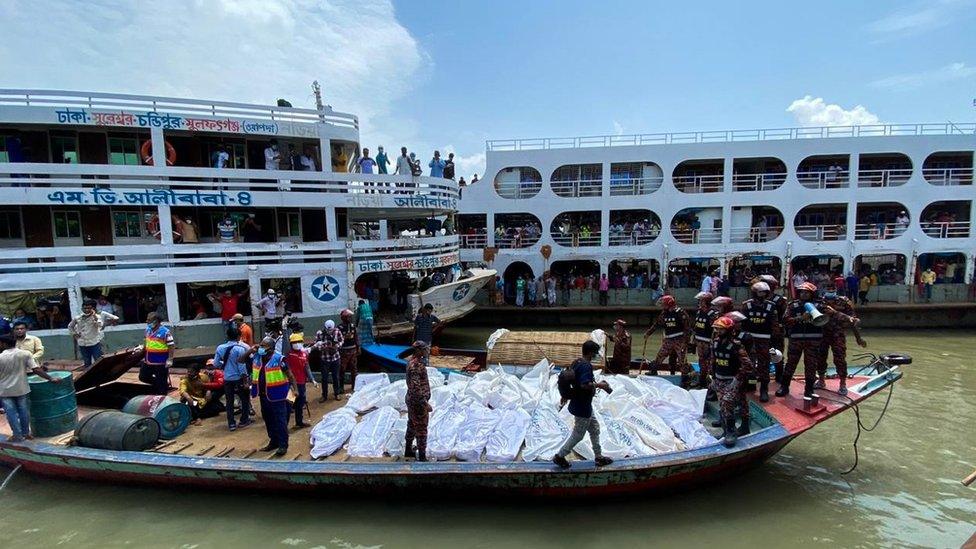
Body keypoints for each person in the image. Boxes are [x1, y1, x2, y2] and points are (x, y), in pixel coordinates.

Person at [552, 340, 614, 469]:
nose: (597, 355)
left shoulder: (577, 362)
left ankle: (599, 457)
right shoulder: (586, 366)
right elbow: (584, 385)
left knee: (595, 428)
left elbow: (572, 379)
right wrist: (601, 385)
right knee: (578, 434)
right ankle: (560, 456)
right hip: (582, 406)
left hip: (581, 403)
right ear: (591, 352)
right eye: (596, 352)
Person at [777, 282, 845, 398]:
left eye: (807, 292)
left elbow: (834, 314)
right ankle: (784, 387)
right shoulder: (792, 305)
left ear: (812, 294)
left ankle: (809, 389)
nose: (803, 294)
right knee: (791, 364)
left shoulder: (820, 306)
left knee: (811, 365)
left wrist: (849, 318)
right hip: (796, 340)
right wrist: (800, 318)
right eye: (802, 292)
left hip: (813, 340)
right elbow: (784, 320)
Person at [0, 335, 61, 442]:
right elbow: (36, 369)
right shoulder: (25, 354)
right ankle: (26, 433)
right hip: (22, 388)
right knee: (24, 411)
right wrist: (51, 378)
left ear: (4, 344)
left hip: (5, 390)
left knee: (11, 413)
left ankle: (17, 435)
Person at [247, 337, 297, 456]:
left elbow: (290, 375)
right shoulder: (257, 357)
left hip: (278, 396)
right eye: (261, 345)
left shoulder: (279, 359)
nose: (261, 348)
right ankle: (273, 442)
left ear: (271, 349)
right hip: (264, 396)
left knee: (280, 421)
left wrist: (296, 389)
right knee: (268, 420)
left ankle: (283, 445)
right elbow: (240, 360)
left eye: (264, 346)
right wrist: (250, 351)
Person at [710, 317, 755, 447]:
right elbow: (713, 361)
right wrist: (712, 377)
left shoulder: (736, 345)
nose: (717, 331)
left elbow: (748, 365)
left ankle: (731, 431)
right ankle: (727, 430)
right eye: (716, 329)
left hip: (733, 380)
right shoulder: (715, 343)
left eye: (720, 329)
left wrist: (737, 379)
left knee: (727, 401)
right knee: (726, 404)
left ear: (728, 330)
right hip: (719, 379)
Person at [739, 282, 779, 402]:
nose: (762, 294)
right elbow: (740, 324)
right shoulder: (746, 305)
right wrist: (742, 337)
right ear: (754, 292)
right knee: (748, 363)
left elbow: (775, 325)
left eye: (764, 292)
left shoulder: (771, 306)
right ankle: (749, 384)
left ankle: (764, 389)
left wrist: (774, 342)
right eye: (759, 292)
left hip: (764, 340)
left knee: (764, 365)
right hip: (749, 340)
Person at [818, 292, 865, 395]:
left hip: (838, 335)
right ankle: (821, 381)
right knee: (820, 358)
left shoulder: (844, 303)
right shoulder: (820, 303)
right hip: (823, 334)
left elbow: (852, 321)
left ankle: (843, 384)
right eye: (827, 301)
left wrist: (858, 338)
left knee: (840, 359)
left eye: (832, 301)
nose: (829, 303)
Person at [643, 295, 693, 385]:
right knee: (660, 355)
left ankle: (685, 378)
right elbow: (656, 324)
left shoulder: (680, 313)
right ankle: (653, 371)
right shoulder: (664, 313)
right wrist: (648, 333)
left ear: (669, 304)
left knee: (682, 360)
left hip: (680, 339)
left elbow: (688, 328)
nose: (662, 306)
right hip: (669, 339)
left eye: (664, 304)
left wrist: (686, 341)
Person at [213, 327, 253, 431]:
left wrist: (226, 366)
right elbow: (242, 366)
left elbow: (216, 364)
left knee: (229, 401)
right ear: (239, 336)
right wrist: (245, 381)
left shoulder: (220, 348)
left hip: (227, 378)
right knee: (244, 399)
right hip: (238, 378)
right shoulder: (240, 349)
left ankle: (231, 423)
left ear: (227, 336)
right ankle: (244, 420)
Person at [68, 299, 118, 369]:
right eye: (84, 308)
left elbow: (100, 325)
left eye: (88, 308)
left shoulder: (97, 317)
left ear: (93, 309)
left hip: (94, 343)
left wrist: (95, 317)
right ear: (82, 308)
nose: (86, 310)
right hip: (82, 343)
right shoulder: (78, 318)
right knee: (87, 362)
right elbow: (70, 326)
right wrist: (74, 334)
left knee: (98, 360)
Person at [404, 341, 432, 461]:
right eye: (425, 349)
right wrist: (425, 404)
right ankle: (422, 456)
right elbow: (415, 388)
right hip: (418, 402)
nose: (427, 351)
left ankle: (408, 450)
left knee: (411, 424)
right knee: (421, 429)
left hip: (411, 399)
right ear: (419, 351)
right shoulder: (416, 366)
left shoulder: (412, 362)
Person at [139, 312, 175, 395]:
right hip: (148, 359)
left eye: (149, 320)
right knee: (143, 377)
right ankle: (162, 385)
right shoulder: (147, 329)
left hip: (161, 361)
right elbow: (146, 340)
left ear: (156, 321)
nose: (147, 321)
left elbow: (171, 346)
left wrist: (170, 359)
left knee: (161, 382)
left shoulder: (165, 332)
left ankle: (162, 392)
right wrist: (142, 349)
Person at [285, 333, 315, 428]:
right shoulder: (288, 354)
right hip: (291, 384)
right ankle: (284, 426)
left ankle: (299, 421)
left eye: (299, 342)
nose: (297, 343)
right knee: (289, 405)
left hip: (302, 383)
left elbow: (307, 368)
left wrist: (312, 379)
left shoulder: (304, 354)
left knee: (300, 403)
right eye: (294, 342)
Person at [691, 291, 717, 390]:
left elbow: (715, 330)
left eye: (701, 301)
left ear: (706, 302)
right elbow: (696, 327)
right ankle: (702, 380)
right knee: (701, 361)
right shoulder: (699, 312)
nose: (699, 303)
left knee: (708, 362)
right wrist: (693, 341)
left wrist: (712, 343)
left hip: (707, 342)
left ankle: (707, 382)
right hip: (699, 341)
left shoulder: (712, 314)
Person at [314, 320, 344, 401]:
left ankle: (337, 393)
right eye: (328, 330)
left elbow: (342, 340)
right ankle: (324, 395)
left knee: (336, 377)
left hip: (335, 358)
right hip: (325, 358)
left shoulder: (337, 332)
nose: (329, 331)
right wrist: (323, 348)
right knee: (324, 378)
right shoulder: (320, 333)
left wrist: (336, 347)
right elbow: (316, 344)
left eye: (331, 330)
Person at [338, 309, 360, 393]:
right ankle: (341, 387)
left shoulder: (352, 326)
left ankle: (354, 386)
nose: (350, 318)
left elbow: (356, 337)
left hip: (353, 351)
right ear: (343, 318)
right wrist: (344, 337)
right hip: (344, 352)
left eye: (350, 317)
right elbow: (337, 339)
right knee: (342, 370)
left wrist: (358, 347)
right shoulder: (339, 328)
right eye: (348, 317)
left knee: (354, 370)